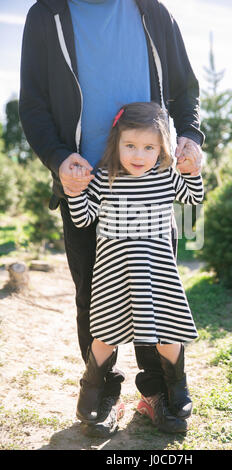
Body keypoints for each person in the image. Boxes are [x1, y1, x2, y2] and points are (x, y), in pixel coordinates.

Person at [19, 0, 205, 436]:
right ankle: (103, 393)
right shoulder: (47, 15)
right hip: (84, 180)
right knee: (95, 293)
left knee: (154, 289)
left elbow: (186, 90)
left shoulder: (151, 12)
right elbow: (33, 104)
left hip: (152, 194)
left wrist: (191, 140)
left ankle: (159, 391)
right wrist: (60, 159)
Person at [66, 101, 204, 434]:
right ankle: (93, 385)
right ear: (116, 143)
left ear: (162, 149)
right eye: (130, 145)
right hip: (114, 273)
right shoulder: (105, 178)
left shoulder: (165, 176)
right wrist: (75, 192)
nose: (139, 154)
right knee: (105, 333)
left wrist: (193, 172)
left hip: (157, 272)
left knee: (167, 331)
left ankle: (176, 385)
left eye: (148, 147)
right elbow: (83, 218)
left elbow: (192, 198)